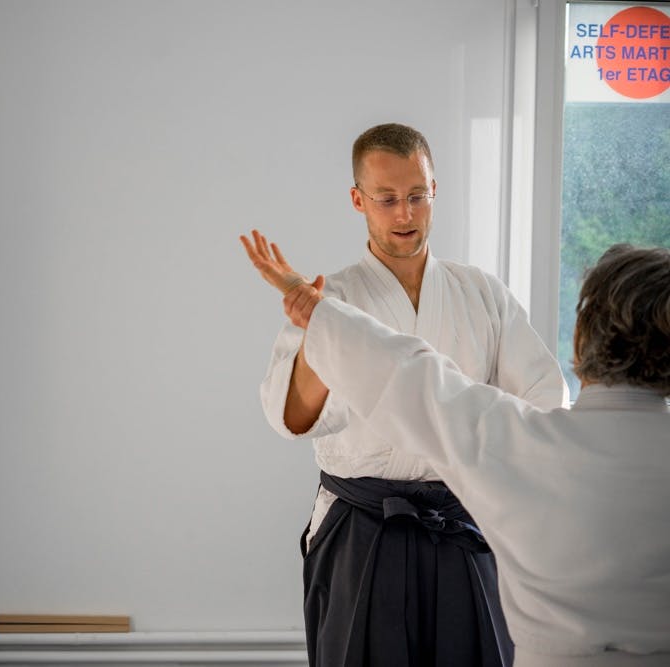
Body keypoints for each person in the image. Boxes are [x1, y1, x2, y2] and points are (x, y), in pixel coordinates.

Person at [243, 237, 670, 667]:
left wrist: (318, 313)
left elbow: (413, 378)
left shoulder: (521, 444)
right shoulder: (526, 441)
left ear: (580, 340)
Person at [243, 123, 568, 667]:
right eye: (387, 199)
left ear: (434, 189)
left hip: (464, 518)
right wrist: (320, 324)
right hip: (361, 523)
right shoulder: (334, 295)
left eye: (417, 196)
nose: (405, 214)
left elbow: (543, 401)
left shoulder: (481, 293)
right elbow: (292, 418)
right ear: (358, 200)